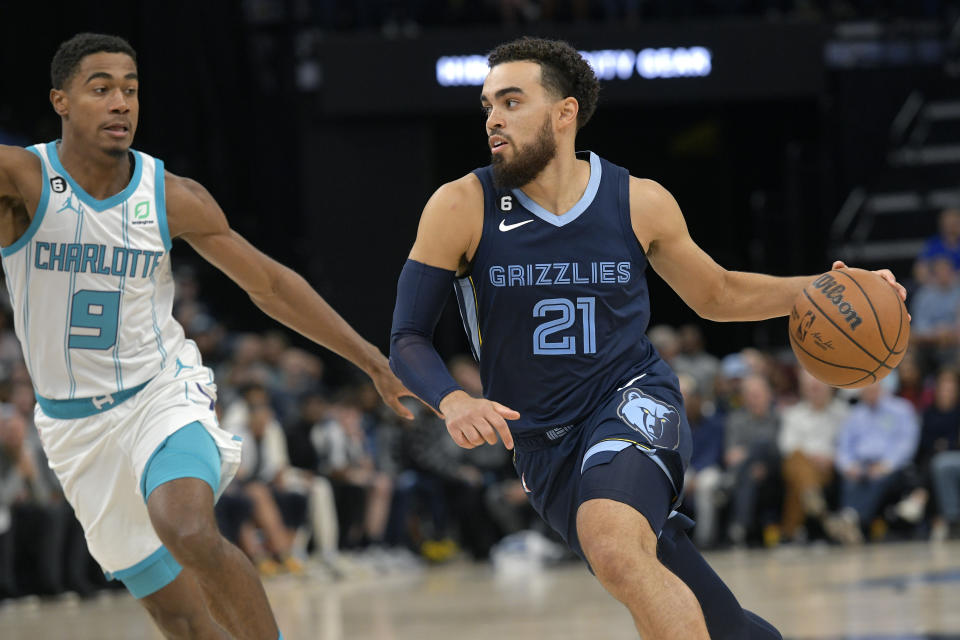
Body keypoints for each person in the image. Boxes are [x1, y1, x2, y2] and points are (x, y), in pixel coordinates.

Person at [389, 36, 906, 639]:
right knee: (707, 614)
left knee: (613, 546)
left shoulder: (637, 201)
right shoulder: (461, 205)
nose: (493, 119)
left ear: (565, 112)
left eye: (511, 101)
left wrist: (831, 288)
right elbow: (406, 338)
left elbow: (718, 294)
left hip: (631, 400)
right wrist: (453, 400)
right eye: (486, 106)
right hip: (544, 446)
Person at [0, 33, 414, 640]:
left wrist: (371, 359)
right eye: (102, 89)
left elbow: (270, 285)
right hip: (73, 430)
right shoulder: (23, 179)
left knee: (189, 529)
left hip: (159, 396)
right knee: (184, 622)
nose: (121, 103)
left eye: (131, 90)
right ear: (61, 100)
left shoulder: (172, 197)